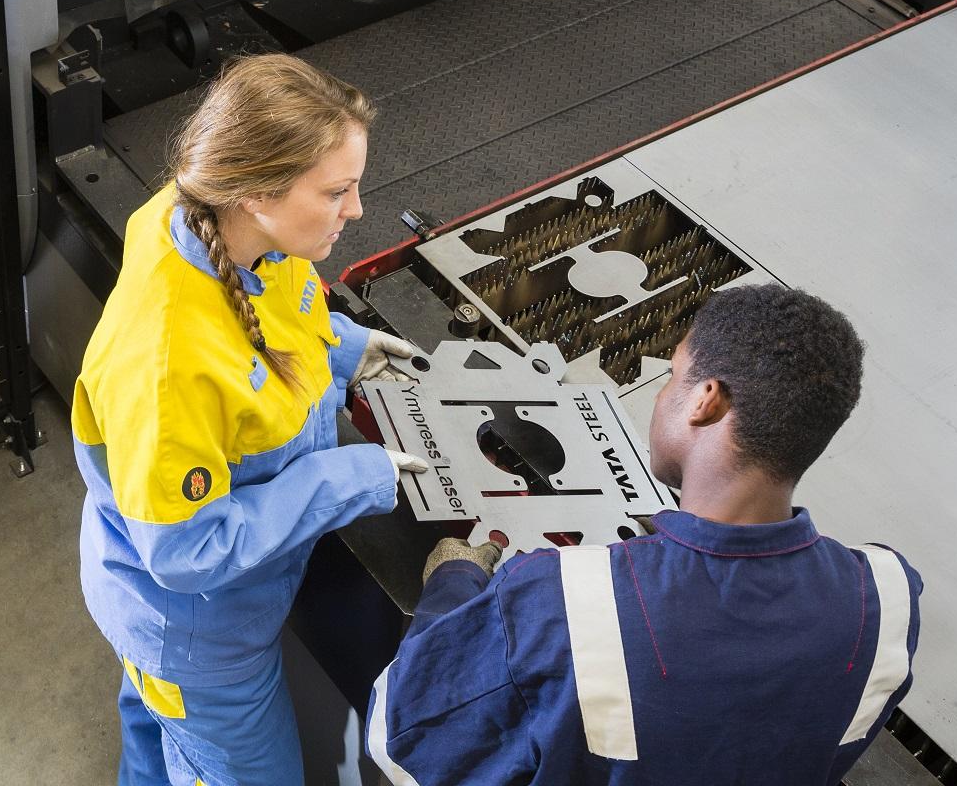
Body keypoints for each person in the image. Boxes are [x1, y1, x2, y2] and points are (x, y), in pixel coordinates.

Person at [366, 284, 923, 784]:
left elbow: (400, 740)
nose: (662, 396)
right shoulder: (890, 594)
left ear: (706, 400)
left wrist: (452, 582)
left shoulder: (560, 597)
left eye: (674, 376)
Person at [72, 54, 428, 786]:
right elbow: (187, 551)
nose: (355, 209)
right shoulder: (168, 361)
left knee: (154, 723)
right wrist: (350, 475)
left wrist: (345, 349)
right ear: (258, 192)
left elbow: (268, 315)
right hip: (197, 636)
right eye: (336, 191)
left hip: (169, 612)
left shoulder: (210, 216)